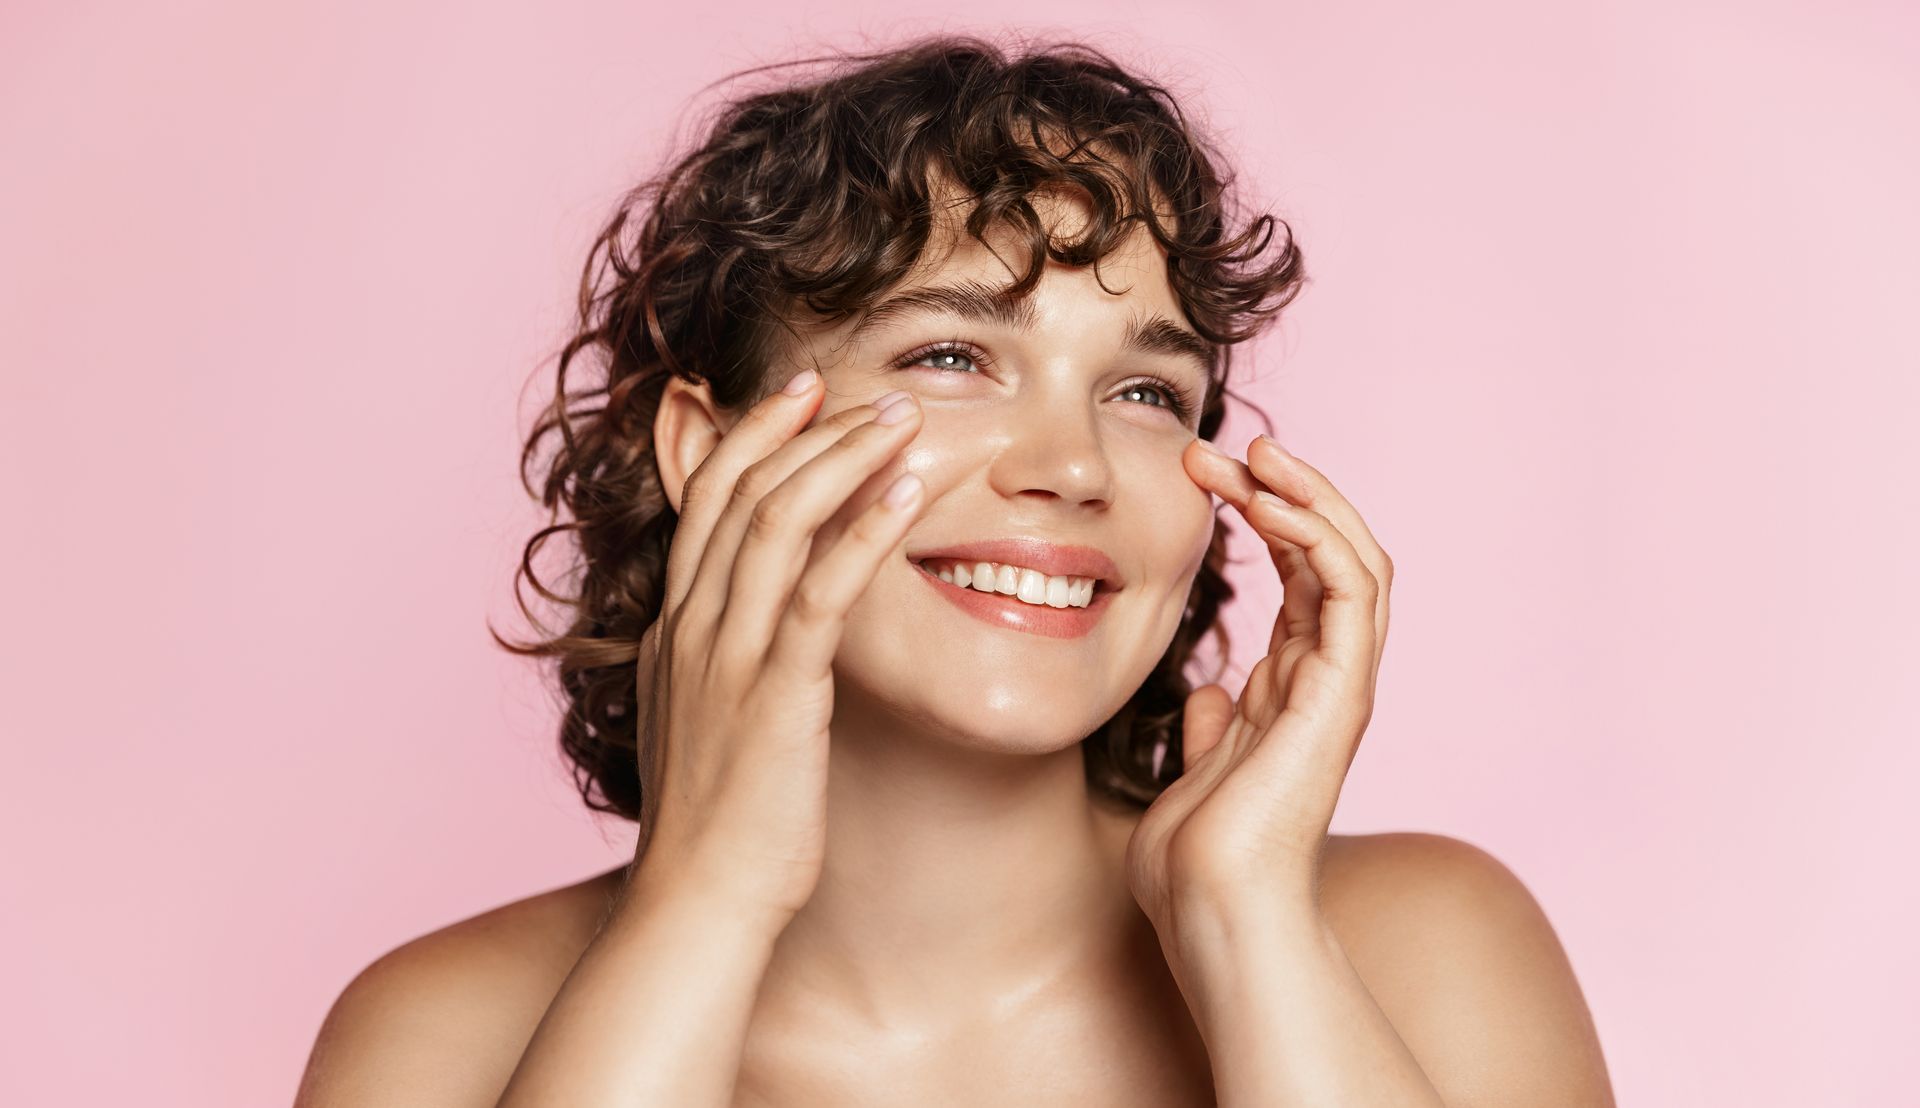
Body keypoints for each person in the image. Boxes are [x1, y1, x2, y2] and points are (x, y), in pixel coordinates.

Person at [295, 34, 1614, 1107]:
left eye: (1150, 391)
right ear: (712, 447)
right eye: (950, 357)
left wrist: (1248, 933)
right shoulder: (443, 1040)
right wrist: (702, 904)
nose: (1076, 464)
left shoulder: (1425, 953)